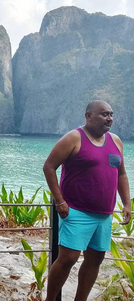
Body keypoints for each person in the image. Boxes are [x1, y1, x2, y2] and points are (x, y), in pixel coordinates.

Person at [43, 100, 131, 301]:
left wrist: (126, 203)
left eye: (111, 114)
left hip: (104, 214)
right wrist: (59, 201)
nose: (109, 118)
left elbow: (122, 174)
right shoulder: (74, 138)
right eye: (104, 114)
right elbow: (49, 167)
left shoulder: (116, 141)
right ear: (88, 116)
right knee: (68, 258)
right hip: (76, 211)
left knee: (95, 259)